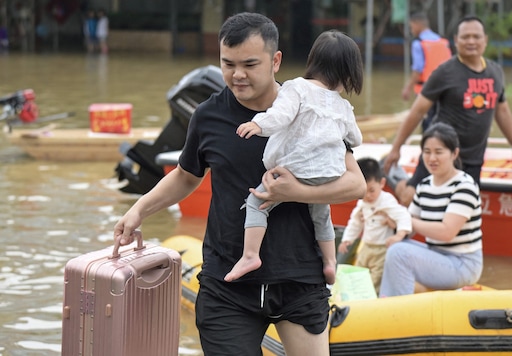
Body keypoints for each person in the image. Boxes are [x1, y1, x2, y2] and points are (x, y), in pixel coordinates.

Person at [113, 12, 366, 355]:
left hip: (299, 277)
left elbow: (354, 184)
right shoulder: (208, 115)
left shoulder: (310, 107)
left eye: (249, 64)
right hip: (227, 282)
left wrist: (299, 193)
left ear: (275, 61)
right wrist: (138, 210)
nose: (237, 75)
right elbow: (187, 176)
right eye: (227, 64)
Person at [225, 30, 364, 285]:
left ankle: (250, 255)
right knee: (322, 214)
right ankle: (330, 262)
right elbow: (355, 139)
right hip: (329, 174)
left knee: (256, 203)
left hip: (294, 169)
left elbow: (281, 115)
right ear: (348, 73)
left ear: (314, 61)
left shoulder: (297, 87)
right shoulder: (343, 106)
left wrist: (258, 125)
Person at [384, 15, 512, 208]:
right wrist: (395, 149)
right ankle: (397, 181)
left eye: (476, 36)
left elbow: (503, 111)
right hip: (440, 154)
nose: (471, 41)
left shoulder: (495, 72)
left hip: (473, 159)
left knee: (464, 211)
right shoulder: (445, 72)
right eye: (465, 37)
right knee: (411, 198)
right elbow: (417, 112)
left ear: (485, 40)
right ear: (456, 41)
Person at [379, 122, 483, 297]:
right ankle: (387, 303)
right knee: (392, 245)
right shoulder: (425, 185)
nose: (432, 158)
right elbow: (409, 228)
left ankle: (398, 312)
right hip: (436, 255)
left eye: (438, 152)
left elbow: (446, 232)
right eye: (427, 152)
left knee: (399, 253)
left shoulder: (464, 186)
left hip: (463, 264)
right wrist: (394, 222)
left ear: (454, 153)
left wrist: (408, 220)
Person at [337, 157, 411, 294]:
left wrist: (400, 234)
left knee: (376, 278)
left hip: (381, 248)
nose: (368, 196)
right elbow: (355, 222)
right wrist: (347, 239)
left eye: (372, 190)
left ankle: (371, 299)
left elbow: (403, 215)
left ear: (382, 183)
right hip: (366, 246)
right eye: (364, 191)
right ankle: (357, 296)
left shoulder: (387, 200)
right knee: (358, 272)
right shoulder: (362, 203)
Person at [400, 12, 452, 132]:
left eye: (411, 27)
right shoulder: (443, 42)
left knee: (427, 123)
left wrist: (407, 88)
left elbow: (417, 70)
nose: (411, 30)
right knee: (442, 122)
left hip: (426, 90)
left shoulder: (418, 43)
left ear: (417, 24)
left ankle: (428, 149)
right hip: (445, 90)